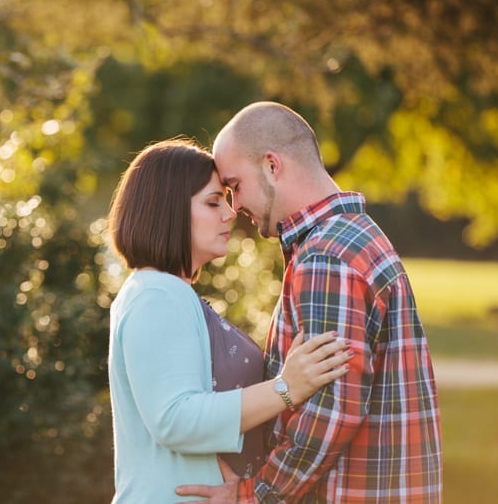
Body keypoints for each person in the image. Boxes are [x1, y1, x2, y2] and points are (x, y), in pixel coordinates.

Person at [176, 102, 443, 503]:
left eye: (234, 186)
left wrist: (251, 496)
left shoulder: (326, 257)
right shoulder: (354, 236)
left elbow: (330, 410)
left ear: (271, 166)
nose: (235, 207)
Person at [107, 138, 353, 503]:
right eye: (212, 202)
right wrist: (287, 388)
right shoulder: (156, 296)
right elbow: (175, 419)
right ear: (167, 210)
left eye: (226, 196)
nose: (229, 212)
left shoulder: (167, 292)